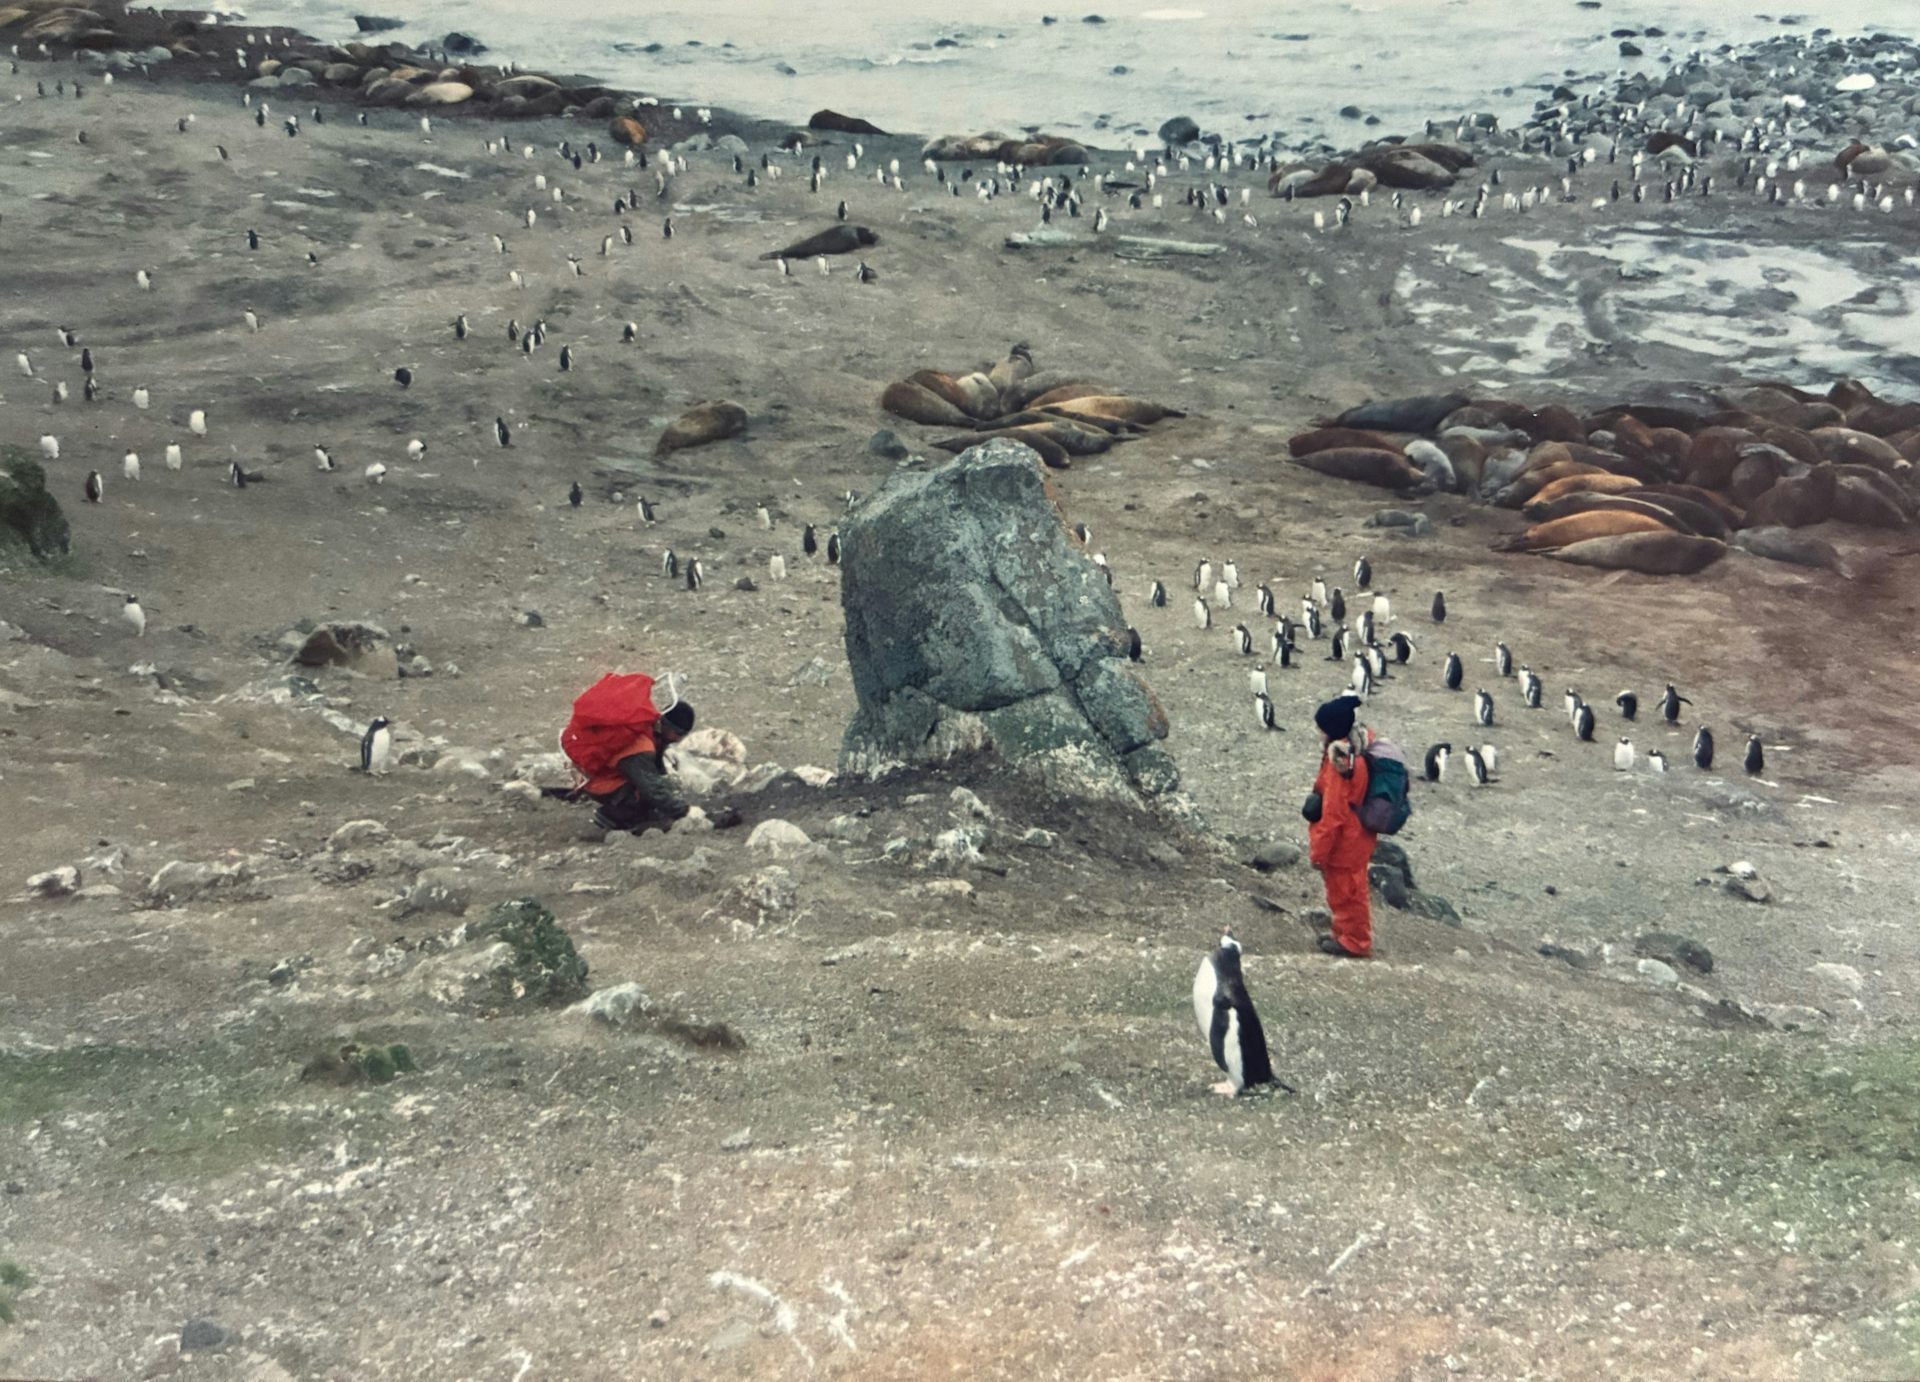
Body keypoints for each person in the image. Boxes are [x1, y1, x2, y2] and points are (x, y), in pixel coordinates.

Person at [583, 700, 740, 834]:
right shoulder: (640, 748)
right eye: (679, 734)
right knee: (646, 792)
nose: (679, 740)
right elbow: (651, 788)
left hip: (610, 776)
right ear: (667, 726)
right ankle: (614, 816)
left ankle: (634, 811)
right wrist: (685, 810)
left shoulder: (653, 732)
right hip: (604, 785)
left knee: (656, 788)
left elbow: (657, 772)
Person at [1305, 694, 1378, 959]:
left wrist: (1318, 852)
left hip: (1346, 841)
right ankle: (1343, 933)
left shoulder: (1341, 764)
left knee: (1347, 892)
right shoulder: (1353, 748)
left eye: (1321, 728)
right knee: (1348, 889)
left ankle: (1354, 941)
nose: (1317, 732)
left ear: (1333, 730)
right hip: (1357, 835)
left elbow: (1333, 815)